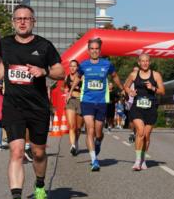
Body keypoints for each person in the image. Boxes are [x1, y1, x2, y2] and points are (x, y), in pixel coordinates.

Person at [0, 4, 63, 199]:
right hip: (13, 106)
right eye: (18, 18)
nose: (22, 22)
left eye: (27, 18)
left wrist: (44, 71)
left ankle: (40, 186)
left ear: (34, 22)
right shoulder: (4, 43)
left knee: (38, 153)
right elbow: (5, 65)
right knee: (16, 152)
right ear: (13, 22)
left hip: (38, 107)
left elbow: (60, 71)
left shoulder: (44, 46)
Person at [77, 37, 124, 172]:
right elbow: (77, 77)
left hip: (102, 102)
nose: (94, 51)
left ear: (100, 50)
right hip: (87, 101)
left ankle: (98, 142)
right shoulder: (84, 64)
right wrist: (71, 88)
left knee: (98, 132)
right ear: (88, 50)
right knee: (89, 130)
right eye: (92, 49)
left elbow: (114, 76)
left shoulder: (107, 64)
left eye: (96, 49)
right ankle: (94, 160)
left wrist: (121, 88)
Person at [124, 54, 165, 170]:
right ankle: (137, 161)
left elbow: (162, 91)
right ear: (138, 63)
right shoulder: (134, 75)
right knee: (140, 132)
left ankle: (143, 159)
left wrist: (153, 88)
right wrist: (130, 92)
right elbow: (125, 86)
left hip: (151, 108)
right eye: (142, 61)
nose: (145, 63)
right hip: (137, 107)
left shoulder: (156, 75)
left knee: (146, 136)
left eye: (147, 61)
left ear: (150, 62)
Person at [64, 59, 83, 155]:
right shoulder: (66, 77)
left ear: (77, 67)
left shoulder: (82, 77)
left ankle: (76, 142)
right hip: (70, 101)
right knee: (72, 126)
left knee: (78, 128)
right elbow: (63, 87)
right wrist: (66, 93)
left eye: (74, 66)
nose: (72, 68)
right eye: (71, 66)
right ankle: (72, 146)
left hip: (80, 101)